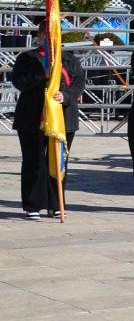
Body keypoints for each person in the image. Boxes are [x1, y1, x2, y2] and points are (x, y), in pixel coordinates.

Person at [10, 37, 86, 219]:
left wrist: (66, 95)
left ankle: (56, 203)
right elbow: (19, 82)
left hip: (63, 118)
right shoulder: (28, 58)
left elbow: (78, 82)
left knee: (59, 161)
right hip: (33, 118)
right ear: (40, 35)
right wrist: (42, 75)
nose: (51, 36)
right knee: (34, 161)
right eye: (46, 32)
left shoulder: (69, 59)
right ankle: (33, 204)